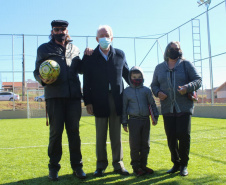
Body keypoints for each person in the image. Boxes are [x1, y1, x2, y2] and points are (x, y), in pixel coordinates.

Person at [33, 20, 86, 181]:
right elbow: (37, 71)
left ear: (66, 30)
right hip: (54, 97)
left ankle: (77, 167)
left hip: (73, 97)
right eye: (56, 29)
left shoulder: (74, 49)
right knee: (56, 133)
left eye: (62, 29)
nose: (60, 32)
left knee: (74, 133)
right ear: (52, 31)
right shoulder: (44, 49)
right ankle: (53, 168)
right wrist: (42, 79)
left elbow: (81, 69)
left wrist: (88, 56)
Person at [83, 25, 130, 177]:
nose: (105, 37)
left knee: (116, 135)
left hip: (117, 100)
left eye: (107, 34)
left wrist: (139, 88)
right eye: (101, 35)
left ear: (112, 37)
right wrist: (88, 102)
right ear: (97, 39)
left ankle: (118, 164)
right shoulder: (90, 56)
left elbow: (128, 76)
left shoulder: (120, 55)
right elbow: (86, 81)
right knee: (100, 135)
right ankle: (101, 166)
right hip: (98, 101)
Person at [151, 41, 202, 176]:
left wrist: (187, 88)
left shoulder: (186, 64)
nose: (176, 51)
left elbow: (198, 80)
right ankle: (176, 163)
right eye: (173, 49)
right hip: (167, 108)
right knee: (171, 137)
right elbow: (154, 85)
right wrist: (158, 93)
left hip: (184, 107)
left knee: (183, 136)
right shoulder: (159, 68)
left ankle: (184, 165)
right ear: (167, 51)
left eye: (178, 49)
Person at [122, 66, 159, 176]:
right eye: (134, 77)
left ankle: (143, 165)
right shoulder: (126, 92)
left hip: (145, 121)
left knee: (145, 145)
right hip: (133, 121)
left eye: (139, 77)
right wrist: (124, 122)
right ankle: (136, 167)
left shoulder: (146, 90)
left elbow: (152, 104)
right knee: (135, 145)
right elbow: (123, 108)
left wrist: (155, 117)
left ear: (143, 77)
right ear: (130, 77)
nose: (137, 79)